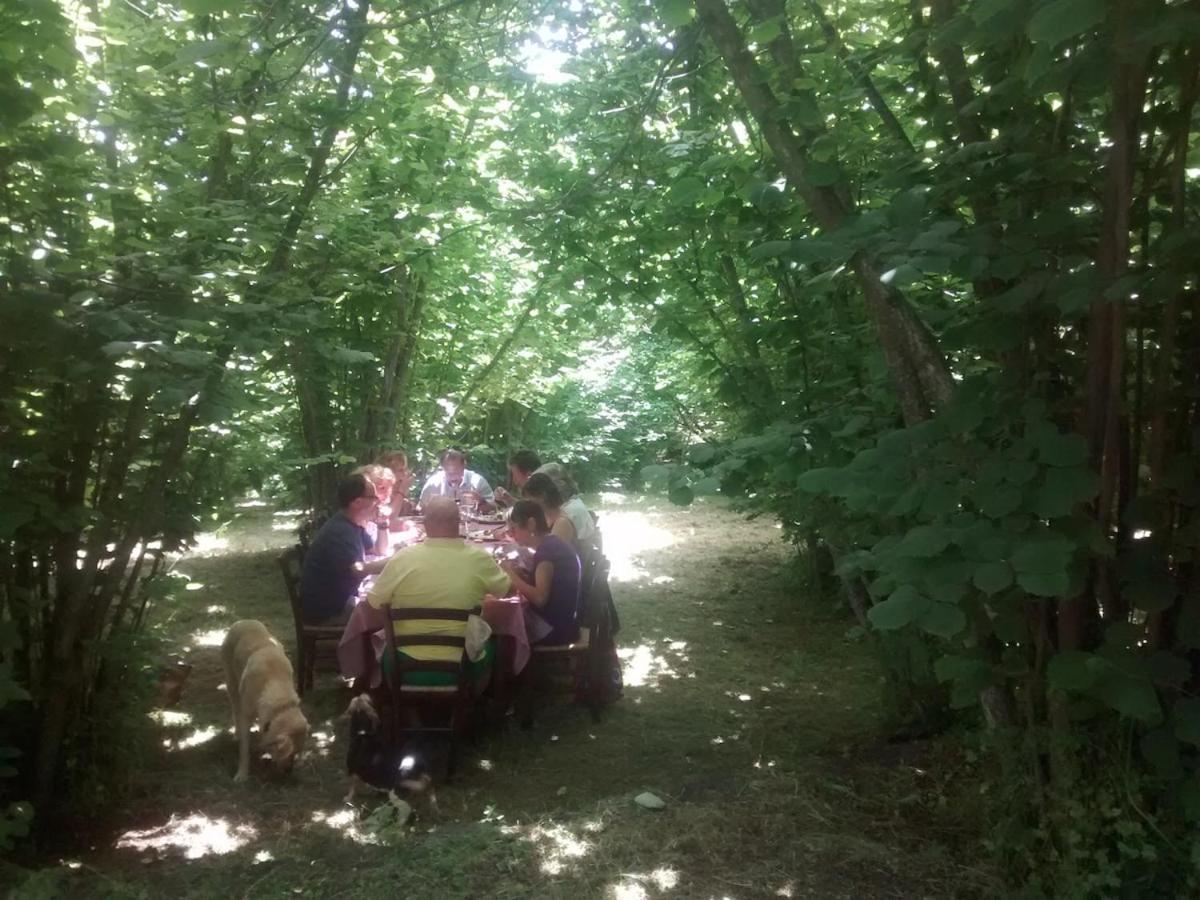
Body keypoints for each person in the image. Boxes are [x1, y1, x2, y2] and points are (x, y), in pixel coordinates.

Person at [366, 497, 511, 685]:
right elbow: (508, 592)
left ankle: (396, 705)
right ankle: (482, 703)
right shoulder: (479, 558)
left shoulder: (403, 558)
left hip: (403, 660)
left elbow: (373, 602)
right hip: (463, 664)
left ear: (425, 524)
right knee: (498, 642)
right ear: (459, 523)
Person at [298, 474, 389, 625]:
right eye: (374, 497)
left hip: (341, 600)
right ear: (357, 502)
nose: (378, 501)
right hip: (328, 611)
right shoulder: (340, 531)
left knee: (385, 606)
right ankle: (367, 648)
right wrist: (398, 562)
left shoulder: (353, 524)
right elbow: (358, 570)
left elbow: (379, 550)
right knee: (388, 614)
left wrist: (383, 523)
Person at [502, 500, 581, 646]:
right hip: (565, 621)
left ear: (531, 524)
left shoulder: (547, 553)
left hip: (554, 629)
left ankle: (517, 667)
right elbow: (551, 584)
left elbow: (540, 598)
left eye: (514, 529)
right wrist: (523, 576)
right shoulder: (552, 542)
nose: (512, 535)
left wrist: (510, 574)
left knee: (502, 626)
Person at [521, 472, 598, 554]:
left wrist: (524, 551)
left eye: (529, 499)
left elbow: (551, 558)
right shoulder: (548, 518)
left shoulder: (562, 523)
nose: (527, 504)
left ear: (542, 496)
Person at [418, 447, 495, 512]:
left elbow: (495, 508)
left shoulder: (477, 482)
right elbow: (420, 509)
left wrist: (481, 501)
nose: (453, 478)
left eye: (456, 472)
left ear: (464, 466)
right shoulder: (433, 484)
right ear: (442, 468)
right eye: (449, 473)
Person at [376, 450, 417, 516]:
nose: (405, 473)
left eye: (405, 469)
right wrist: (402, 490)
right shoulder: (378, 492)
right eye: (401, 470)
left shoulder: (396, 488)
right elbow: (388, 518)